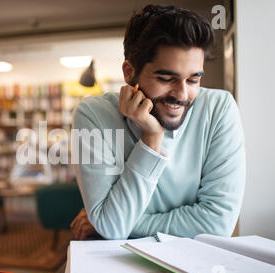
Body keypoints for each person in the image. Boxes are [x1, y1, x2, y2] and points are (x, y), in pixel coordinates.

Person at [70, 5, 246, 240]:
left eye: (193, 79)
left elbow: (217, 225)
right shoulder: (93, 115)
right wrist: (152, 139)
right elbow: (111, 225)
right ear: (129, 72)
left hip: (198, 268)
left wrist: (119, 224)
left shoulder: (220, 109)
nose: (182, 94)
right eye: (166, 78)